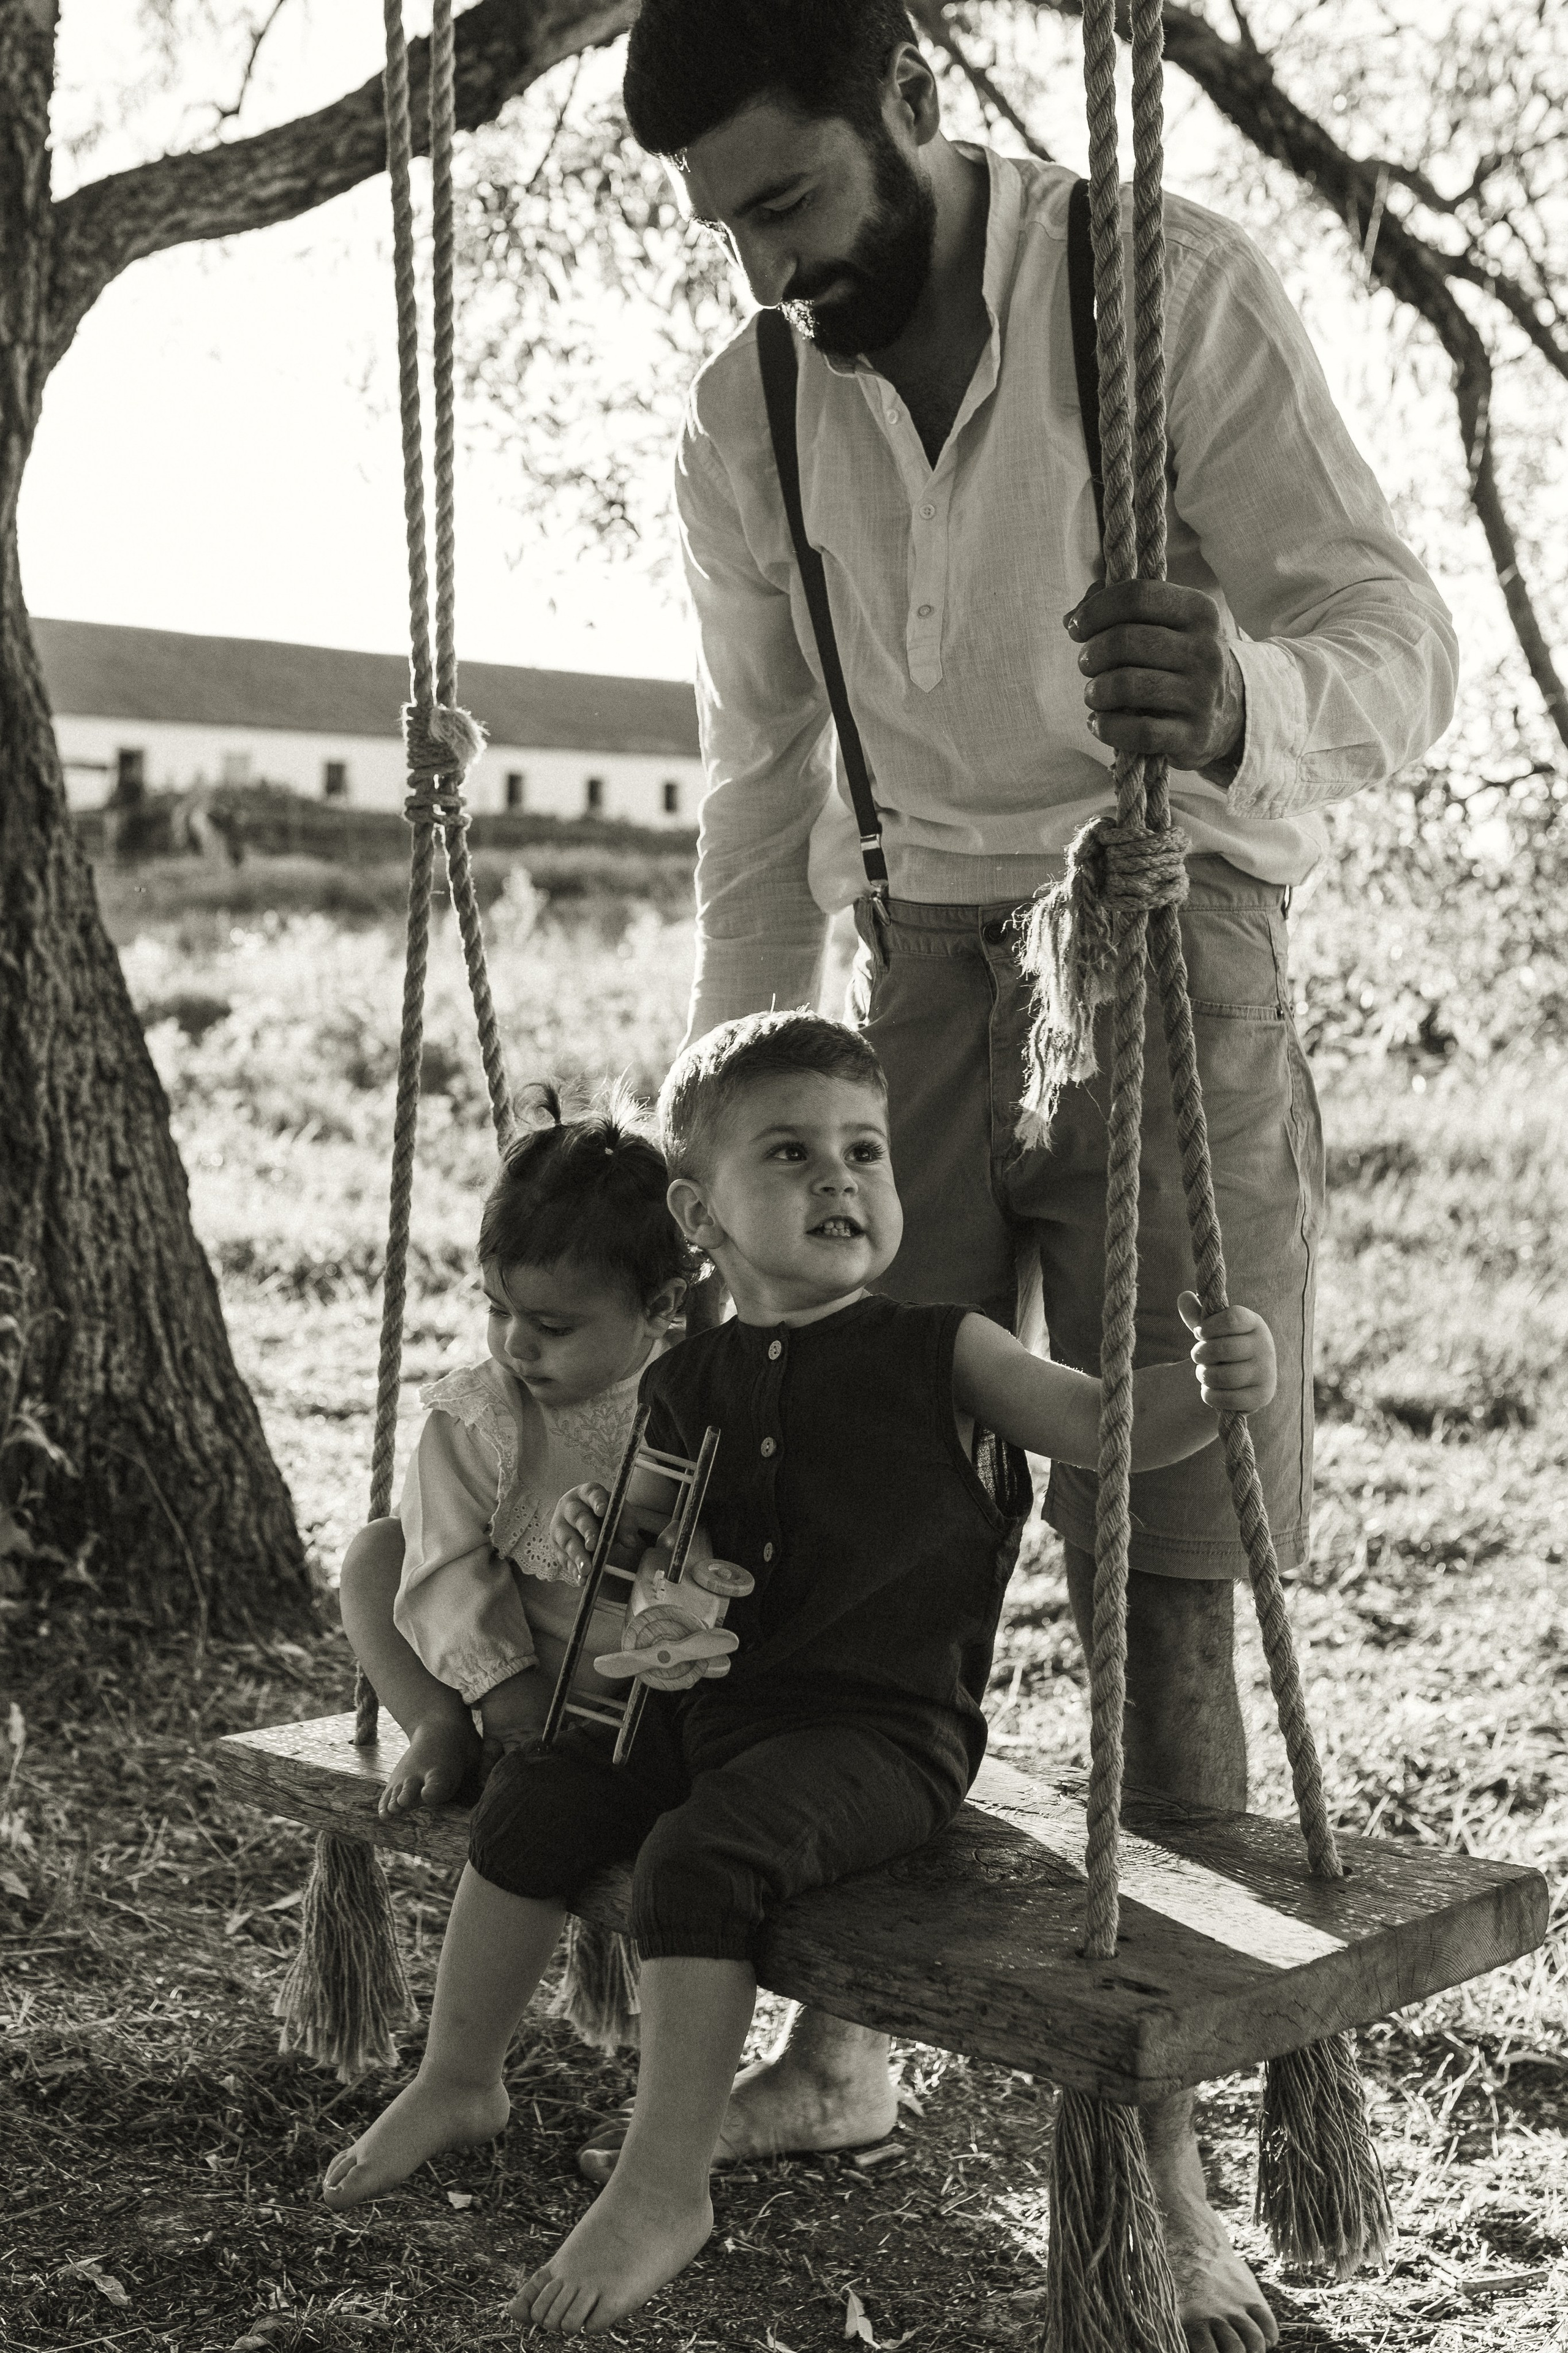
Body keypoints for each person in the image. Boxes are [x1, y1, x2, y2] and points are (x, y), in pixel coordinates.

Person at [608, 7, 1460, 2349]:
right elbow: (760, 787)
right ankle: (841, 2045)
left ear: (906, 102)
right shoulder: (744, 406)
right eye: (721, 229)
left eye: (785, 201)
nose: (764, 268)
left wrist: (1250, 698)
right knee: (852, 1496)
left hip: (1171, 915)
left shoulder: (1158, 290)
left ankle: (1160, 2164)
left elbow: (1403, 642)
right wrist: (730, 1113)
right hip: (913, 965)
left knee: (1156, 1542)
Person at [318, 1013, 1277, 2336]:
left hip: (877, 1737)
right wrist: (655, 1606)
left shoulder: (942, 1348)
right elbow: (662, 1564)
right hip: (710, 1706)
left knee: (698, 1859)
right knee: (546, 1787)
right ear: (695, 1211)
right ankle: (459, 2072)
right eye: (790, 1151)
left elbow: (1097, 1428)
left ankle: (665, 2185)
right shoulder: (686, 1378)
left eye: (863, 1150)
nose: (839, 1178)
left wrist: (1213, 1389)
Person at [334, 1086, 695, 1815]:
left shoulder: (698, 1395)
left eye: (553, 1327)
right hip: (491, 1666)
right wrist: (502, 1691)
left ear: (659, 1307)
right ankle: (438, 1725)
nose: (515, 1345)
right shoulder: (483, 1413)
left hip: (644, 1674)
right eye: (498, 1311)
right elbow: (446, 1559)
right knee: (375, 1558)